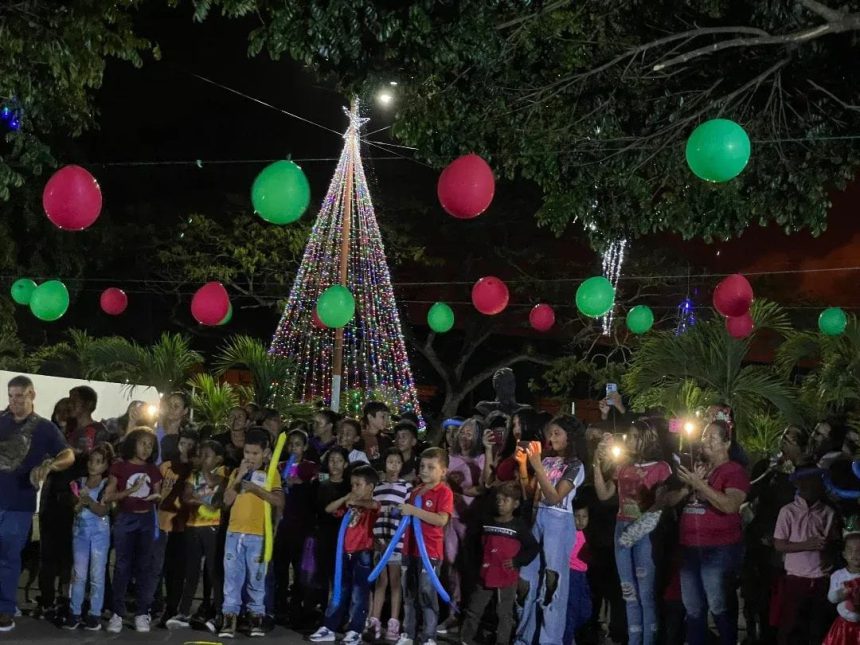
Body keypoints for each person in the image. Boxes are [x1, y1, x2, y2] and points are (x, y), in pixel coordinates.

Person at [0, 375, 74, 633]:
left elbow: (68, 454)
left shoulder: (44, 428)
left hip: (19, 503)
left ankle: (5, 610)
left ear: (32, 395)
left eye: (20, 395)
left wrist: (50, 465)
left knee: (9, 558)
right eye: (11, 396)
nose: (15, 401)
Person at [593, 419, 672, 645]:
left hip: (645, 531)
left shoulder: (661, 467)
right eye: (629, 436)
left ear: (648, 439)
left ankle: (649, 640)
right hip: (621, 528)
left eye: (636, 436)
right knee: (628, 593)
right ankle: (634, 639)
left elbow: (662, 503)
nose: (631, 440)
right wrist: (597, 464)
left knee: (646, 594)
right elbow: (604, 494)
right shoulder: (623, 466)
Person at [674, 420, 750, 645]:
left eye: (711, 437)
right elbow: (670, 500)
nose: (704, 441)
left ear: (726, 443)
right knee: (693, 608)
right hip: (689, 547)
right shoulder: (698, 469)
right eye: (703, 436)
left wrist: (700, 485)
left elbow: (730, 505)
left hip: (718, 549)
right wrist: (689, 486)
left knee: (719, 605)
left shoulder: (734, 471)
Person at [515, 414, 586, 645]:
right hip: (538, 519)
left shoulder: (575, 465)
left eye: (557, 434)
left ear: (570, 437)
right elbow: (530, 493)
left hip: (559, 521)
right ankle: (524, 637)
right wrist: (524, 465)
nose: (551, 438)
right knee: (526, 580)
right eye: (550, 433)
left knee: (552, 583)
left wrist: (537, 464)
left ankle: (550, 640)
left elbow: (555, 497)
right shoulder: (546, 460)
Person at [219, 428, 284, 639]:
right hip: (234, 533)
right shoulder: (236, 473)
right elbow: (226, 501)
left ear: (266, 453)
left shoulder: (271, 474)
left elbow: (279, 501)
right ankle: (229, 618)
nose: (250, 457)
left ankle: (256, 617)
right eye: (247, 452)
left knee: (256, 579)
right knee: (232, 577)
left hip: (258, 535)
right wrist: (239, 476)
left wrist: (257, 490)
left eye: (255, 453)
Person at [459, 482, 538, 645]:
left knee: (504, 613)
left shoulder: (519, 526)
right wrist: (478, 563)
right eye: (499, 499)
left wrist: (517, 561)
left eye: (506, 500)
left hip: (506, 576)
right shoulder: (487, 522)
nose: (501, 503)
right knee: (474, 609)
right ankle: (465, 639)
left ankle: (502, 642)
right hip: (486, 574)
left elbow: (532, 548)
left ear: (516, 504)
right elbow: (475, 544)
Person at [309, 464, 381, 644]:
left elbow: (374, 505)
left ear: (370, 487)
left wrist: (356, 502)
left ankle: (355, 630)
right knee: (339, 591)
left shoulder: (371, 506)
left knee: (359, 593)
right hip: (344, 553)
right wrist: (345, 498)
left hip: (362, 553)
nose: (354, 488)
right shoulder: (349, 506)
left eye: (358, 485)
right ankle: (329, 626)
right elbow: (329, 509)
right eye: (352, 485)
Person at [104, 427, 163, 633]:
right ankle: (117, 613)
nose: (146, 448)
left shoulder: (153, 470)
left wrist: (156, 498)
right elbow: (108, 496)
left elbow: (158, 495)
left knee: (144, 567)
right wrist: (131, 490)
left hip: (146, 520)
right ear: (132, 444)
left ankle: (142, 612)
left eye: (150, 445)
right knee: (122, 567)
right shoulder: (119, 467)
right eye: (142, 443)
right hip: (125, 519)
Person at [773, 466, 839, 644]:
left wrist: (827, 549)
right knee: (791, 627)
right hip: (796, 579)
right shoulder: (788, 511)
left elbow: (833, 541)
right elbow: (779, 544)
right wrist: (806, 545)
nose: (810, 486)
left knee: (817, 628)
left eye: (815, 481)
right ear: (798, 484)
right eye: (804, 482)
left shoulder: (828, 512)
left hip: (821, 579)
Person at [167, 439, 227, 632]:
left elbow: (216, 495)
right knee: (191, 572)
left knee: (213, 571)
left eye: (207, 455)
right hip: (193, 526)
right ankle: (184, 612)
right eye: (200, 455)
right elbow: (186, 497)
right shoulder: (193, 475)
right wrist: (201, 499)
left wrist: (198, 494)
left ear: (218, 459)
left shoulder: (224, 473)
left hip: (212, 526)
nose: (202, 459)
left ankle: (220, 613)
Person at [397, 447, 454, 645]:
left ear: (443, 471)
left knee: (427, 594)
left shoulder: (444, 492)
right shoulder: (415, 491)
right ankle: (408, 633)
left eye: (431, 467)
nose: (425, 470)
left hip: (429, 553)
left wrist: (414, 511)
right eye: (422, 466)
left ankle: (429, 636)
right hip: (409, 550)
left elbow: (441, 520)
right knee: (409, 594)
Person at [64, 443, 114, 631]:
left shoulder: (107, 484)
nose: (93, 465)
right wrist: (77, 503)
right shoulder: (79, 482)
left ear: (106, 465)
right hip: (80, 533)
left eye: (99, 462)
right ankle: (74, 612)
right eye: (91, 461)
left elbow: (103, 510)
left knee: (97, 574)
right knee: (78, 574)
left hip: (100, 534)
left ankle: (94, 614)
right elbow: (73, 507)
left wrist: (88, 501)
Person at [272, 427, 319, 626]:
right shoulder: (279, 466)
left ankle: (298, 608)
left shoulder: (311, 468)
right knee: (280, 570)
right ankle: (279, 608)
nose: (293, 448)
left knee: (301, 572)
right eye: (290, 444)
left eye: (298, 445)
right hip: (283, 526)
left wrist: (301, 482)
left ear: (305, 447)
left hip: (302, 527)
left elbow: (313, 492)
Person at [151, 428, 198, 623]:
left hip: (181, 525)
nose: (185, 448)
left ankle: (171, 607)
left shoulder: (194, 471)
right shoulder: (166, 466)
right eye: (182, 444)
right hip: (161, 522)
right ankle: (155, 604)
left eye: (190, 445)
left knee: (176, 570)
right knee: (156, 567)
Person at [366, 448, 412, 641]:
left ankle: (393, 622)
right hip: (379, 541)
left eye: (398, 462)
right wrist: (377, 538)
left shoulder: (406, 487)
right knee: (380, 580)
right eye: (390, 462)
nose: (394, 466)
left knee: (395, 581)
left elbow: (407, 514)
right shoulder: (377, 487)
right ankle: (374, 621)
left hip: (396, 541)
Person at [443, 417, 485, 616]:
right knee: (450, 562)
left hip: (469, 519)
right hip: (449, 517)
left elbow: (482, 488)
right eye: (463, 432)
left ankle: (468, 612)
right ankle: (453, 609)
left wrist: (460, 491)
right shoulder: (448, 458)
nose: (464, 437)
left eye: (470, 433)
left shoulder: (481, 459)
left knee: (467, 565)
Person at [314, 447, 352, 603]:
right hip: (326, 535)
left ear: (345, 464)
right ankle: (323, 606)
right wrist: (344, 499)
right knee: (324, 572)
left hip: (345, 537)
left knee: (342, 573)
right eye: (332, 460)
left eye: (339, 461)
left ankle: (341, 607)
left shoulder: (350, 485)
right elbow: (325, 509)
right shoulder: (322, 485)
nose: (335, 464)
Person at [822, 532, 860, 645]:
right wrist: (842, 593)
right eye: (850, 550)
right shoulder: (838, 575)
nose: (855, 554)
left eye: (859, 550)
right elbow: (831, 598)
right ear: (844, 554)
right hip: (844, 626)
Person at [564, 501, 592, 645]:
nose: (580, 520)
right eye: (577, 516)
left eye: (584, 517)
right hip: (571, 574)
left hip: (582, 575)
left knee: (585, 611)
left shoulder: (585, 534)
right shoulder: (569, 533)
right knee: (572, 610)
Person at [67, 386, 108, 453]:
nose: (69, 405)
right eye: (69, 401)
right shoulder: (70, 429)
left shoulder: (98, 429)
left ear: (88, 404)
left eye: (74, 401)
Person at [156, 392, 191, 465]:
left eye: (176, 406)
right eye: (169, 405)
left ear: (185, 411)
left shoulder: (185, 438)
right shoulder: (154, 429)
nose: (171, 408)